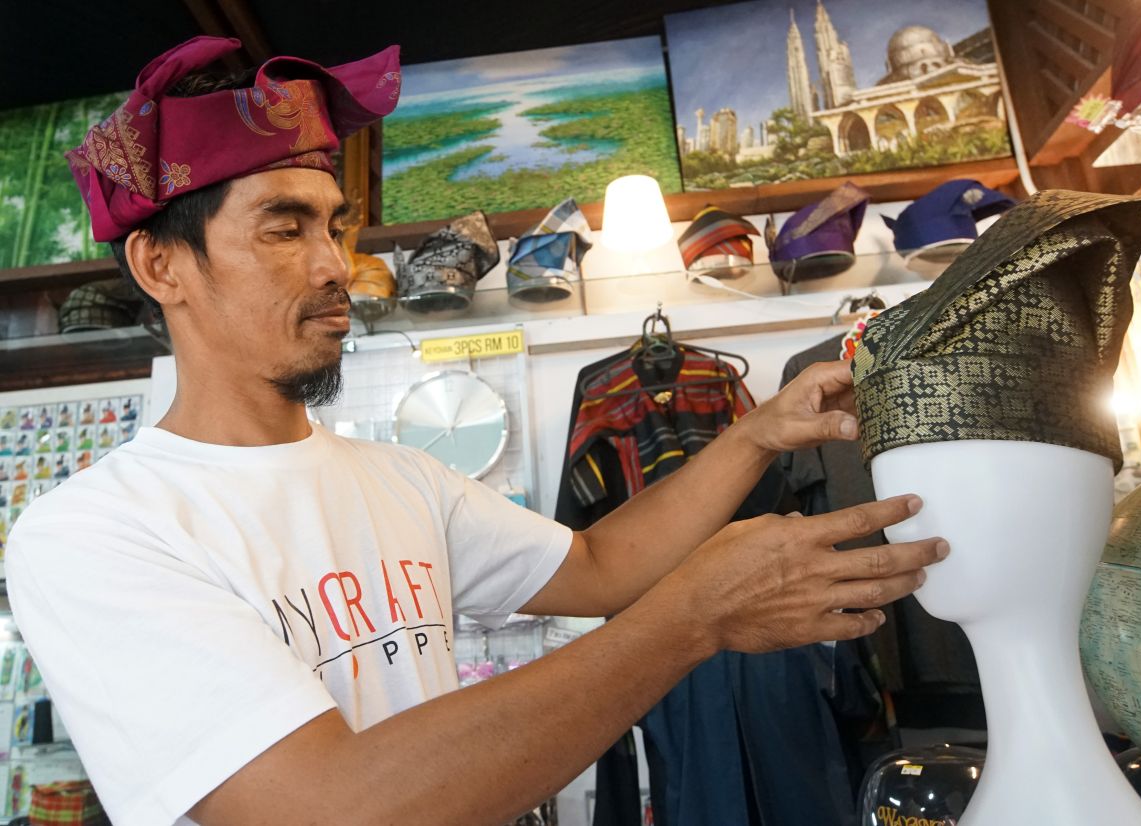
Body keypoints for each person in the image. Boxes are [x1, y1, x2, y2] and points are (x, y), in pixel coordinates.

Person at [7, 37, 946, 826]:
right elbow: (324, 807)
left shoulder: (400, 480)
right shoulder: (96, 535)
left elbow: (599, 568)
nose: (336, 266)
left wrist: (758, 436)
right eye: (284, 229)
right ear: (161, 264)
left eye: (336, 226)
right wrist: (694, 617)